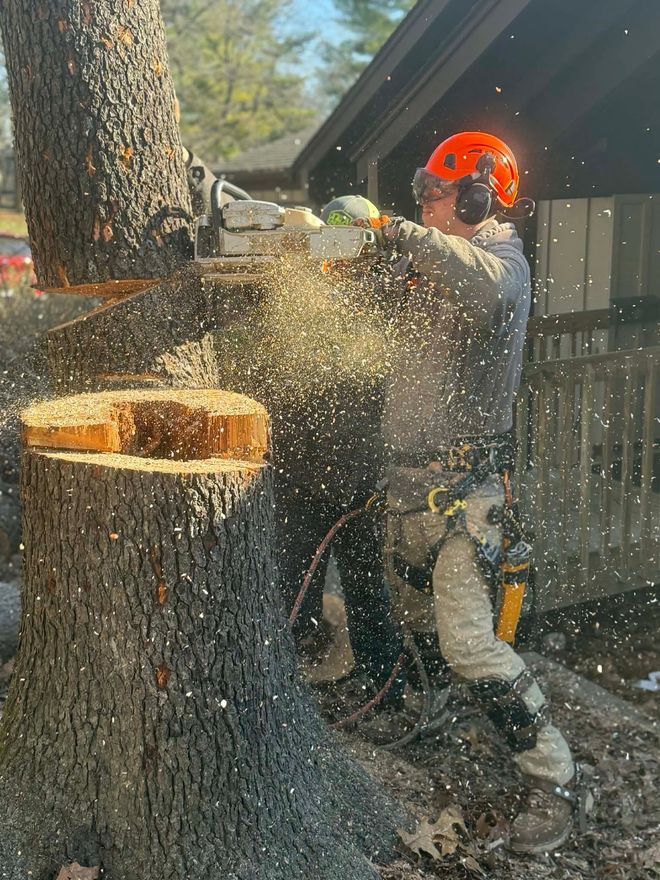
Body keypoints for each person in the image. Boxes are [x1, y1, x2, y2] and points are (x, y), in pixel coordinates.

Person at [378, 132, 583, 854]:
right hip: (408, 485)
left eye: (435, 197)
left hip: (463, 495)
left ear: (475, 197)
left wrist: (399, 236)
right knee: (416, 623)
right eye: (422, 200)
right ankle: (428, 711)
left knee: (469, 645)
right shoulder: (431, 266)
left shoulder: (503, 265)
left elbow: (484, 287)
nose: (426, 210)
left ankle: (553, 777)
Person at [275, 194, 404, 701]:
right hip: (301, 468)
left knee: (366, 584)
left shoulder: (385, 296)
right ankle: (293, 671)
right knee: (294, 580)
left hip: (357, 475)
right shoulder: (302, 295)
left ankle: (383, 683)